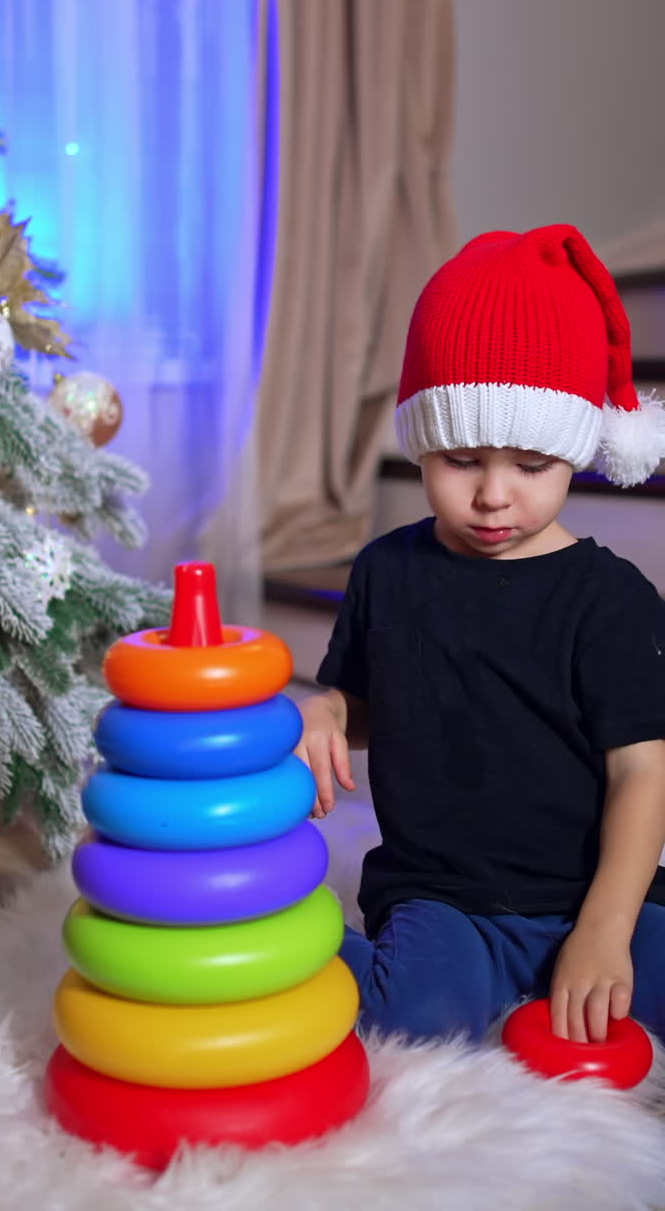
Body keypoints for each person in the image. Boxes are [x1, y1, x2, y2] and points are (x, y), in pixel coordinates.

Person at [297, 224, 665, 1047]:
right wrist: (324, 714)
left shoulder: (611, 598)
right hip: (445, 894)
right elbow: (363, 702)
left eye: (531, 466)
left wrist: (604, 930)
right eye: (462, 460)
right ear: (422, 445)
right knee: (411, 1024)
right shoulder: (388, 572)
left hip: (592, 889)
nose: (495, 494)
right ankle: (293, 939)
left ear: (575, 452)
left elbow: (644, 770)